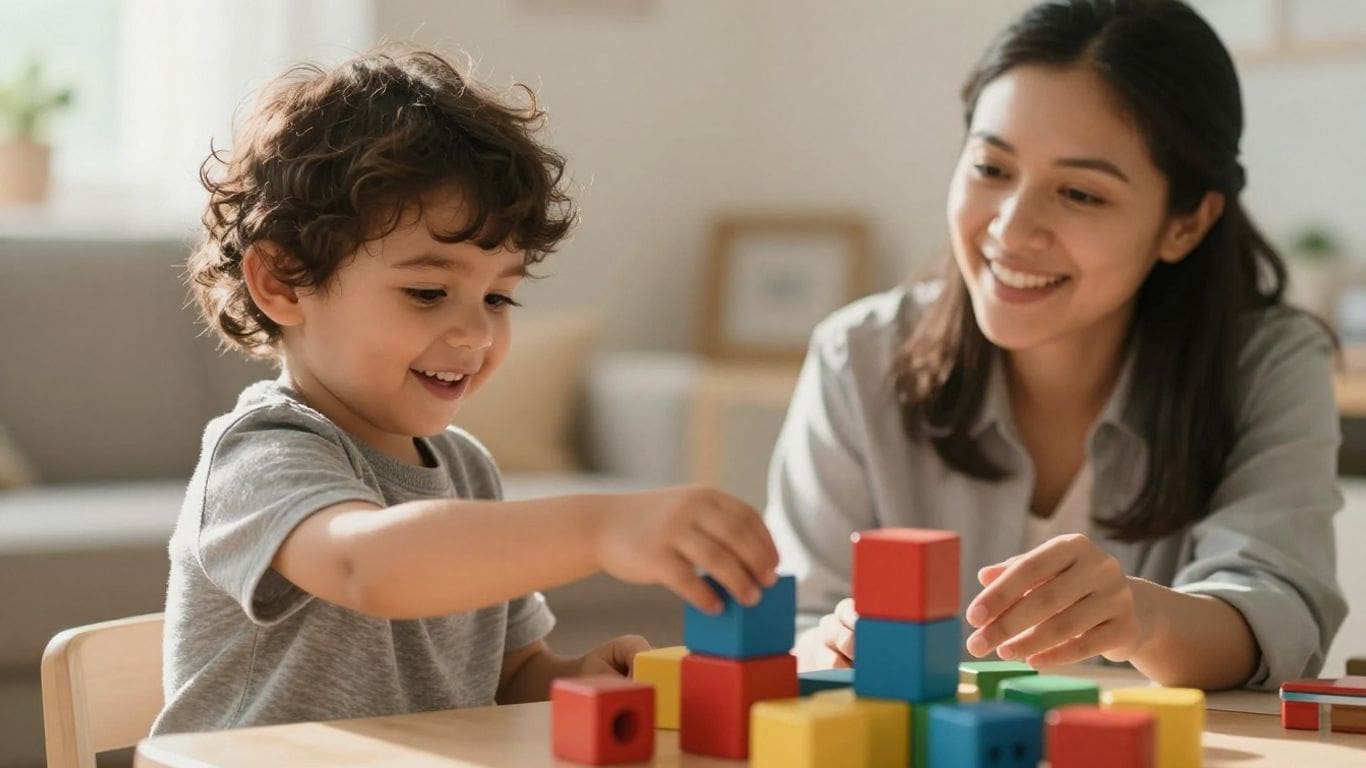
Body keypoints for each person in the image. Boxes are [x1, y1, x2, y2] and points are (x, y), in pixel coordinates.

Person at [152, 46, 778, 735]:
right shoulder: (262, 455)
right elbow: (371, 566)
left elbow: (507, 677)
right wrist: (601, 527)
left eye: (500, 298)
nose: (476, 334)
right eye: (428, 291)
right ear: (282, 281)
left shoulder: (466, 471)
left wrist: (574, 680)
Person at [768, 0, 1345, 691]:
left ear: (1186, 224)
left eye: (1079, 193)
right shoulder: (855, 359)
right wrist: (830, 647)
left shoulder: (1266, 367)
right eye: (991, 168)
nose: (1012, 230)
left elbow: (1278, 615)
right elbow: (793, 625)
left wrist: (1143, 618)